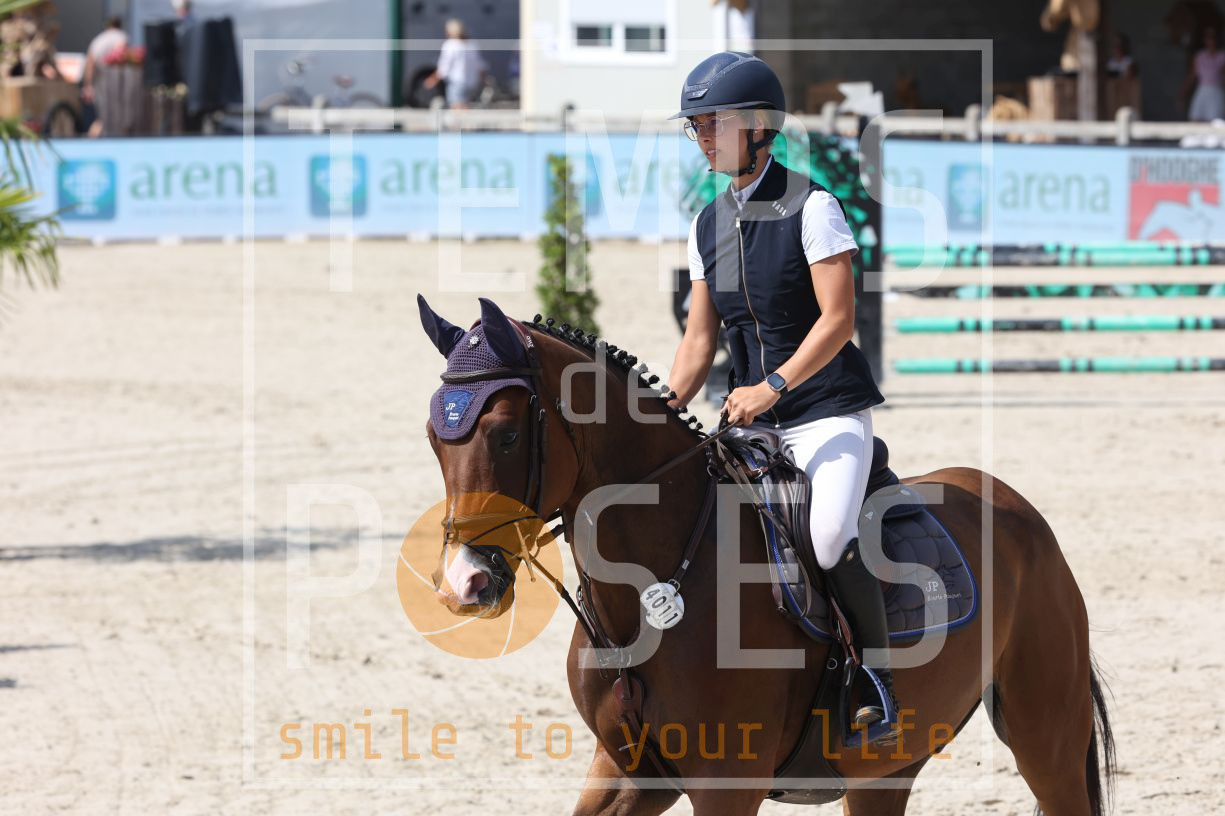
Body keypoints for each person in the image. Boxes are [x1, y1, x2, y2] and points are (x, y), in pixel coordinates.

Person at [664, 52, 896, 742]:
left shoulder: (814, 207)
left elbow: (838, 321)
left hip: (825, 414)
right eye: (697, 127)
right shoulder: (706, 225)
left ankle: (874, 679)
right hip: (750, 424)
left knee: (825, 538)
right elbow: (698, 341)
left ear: (759, 127)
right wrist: (661, 407)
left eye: (714, 124)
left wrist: (771, 386)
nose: (703, 138)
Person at [425, 19, 486, 109]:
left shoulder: (450, 45)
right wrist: (483, 80)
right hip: (472, 82)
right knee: (465, 106)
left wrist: (433, 79)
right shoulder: (472, 44)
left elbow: (444, 67)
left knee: (457, 108)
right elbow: (479, 65)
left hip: (456, 81)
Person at [82, 16, 127, 137]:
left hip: (99, 83)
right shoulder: (121, 36)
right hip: (115, 83)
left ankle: (90, 140)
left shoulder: (98, 40)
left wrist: (88, 85)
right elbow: (120, 55)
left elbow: (90, 63)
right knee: (113, 116)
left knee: (101, 116)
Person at [1184, 27, 1225, 121]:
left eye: (1213, 37)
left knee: (1215, 119)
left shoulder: (1222, 56)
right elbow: (1193, 75)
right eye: (1208, 38)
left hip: (1216, 90)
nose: (1211, 41)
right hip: (1202, 90)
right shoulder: (1200, 56)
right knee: (1195, 118)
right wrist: (1183, 93)